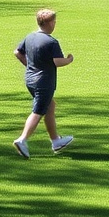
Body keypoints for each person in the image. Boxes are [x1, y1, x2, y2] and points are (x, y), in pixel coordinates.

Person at [12, 9, 74, 159]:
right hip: (44, 82)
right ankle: (22, 140)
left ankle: (56, 141)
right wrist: (69, 59)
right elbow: (57, 61)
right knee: (38, 111)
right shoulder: (51, 41)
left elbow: (17, 52)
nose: (55, 24)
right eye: (53, 21)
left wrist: (29, 65)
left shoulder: (30, 37)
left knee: (50, 106)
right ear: (48, 23)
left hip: (30, 80)